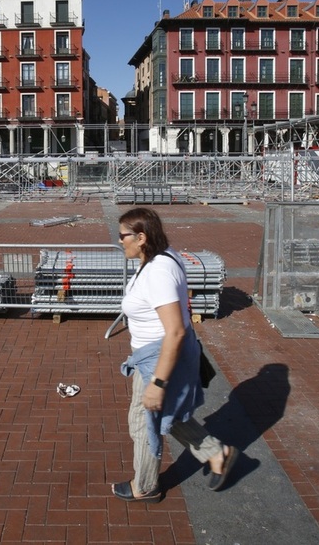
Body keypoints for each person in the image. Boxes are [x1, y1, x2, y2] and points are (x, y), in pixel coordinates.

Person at [112, 207, 238, 503]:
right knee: (166, 415)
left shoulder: (157, 271)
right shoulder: (162, 256)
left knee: (144, 421)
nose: (119, 241)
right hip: (152, 355)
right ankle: (216, 453)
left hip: (159, 359)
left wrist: (157, 382)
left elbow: (176, 331)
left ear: (141, 237)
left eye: (123, 236)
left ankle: (144, 486)